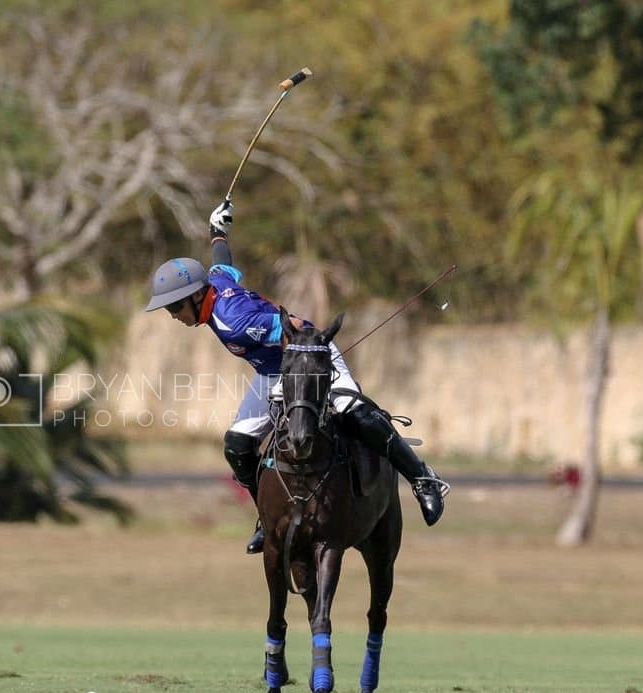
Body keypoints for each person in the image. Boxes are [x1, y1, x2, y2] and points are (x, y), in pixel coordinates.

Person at [144, 200, 449, 554]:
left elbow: (298, 328)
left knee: (355, 412)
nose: (171, 314)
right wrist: (218, 231)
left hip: (310, 356)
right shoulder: (214, 285)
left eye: (174, 306)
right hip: (272, 369)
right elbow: (222, 264)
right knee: (237, 444)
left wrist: (307, 371)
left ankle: (423, 479)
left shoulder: (235, 320)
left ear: (197, 296)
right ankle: (266, 514)